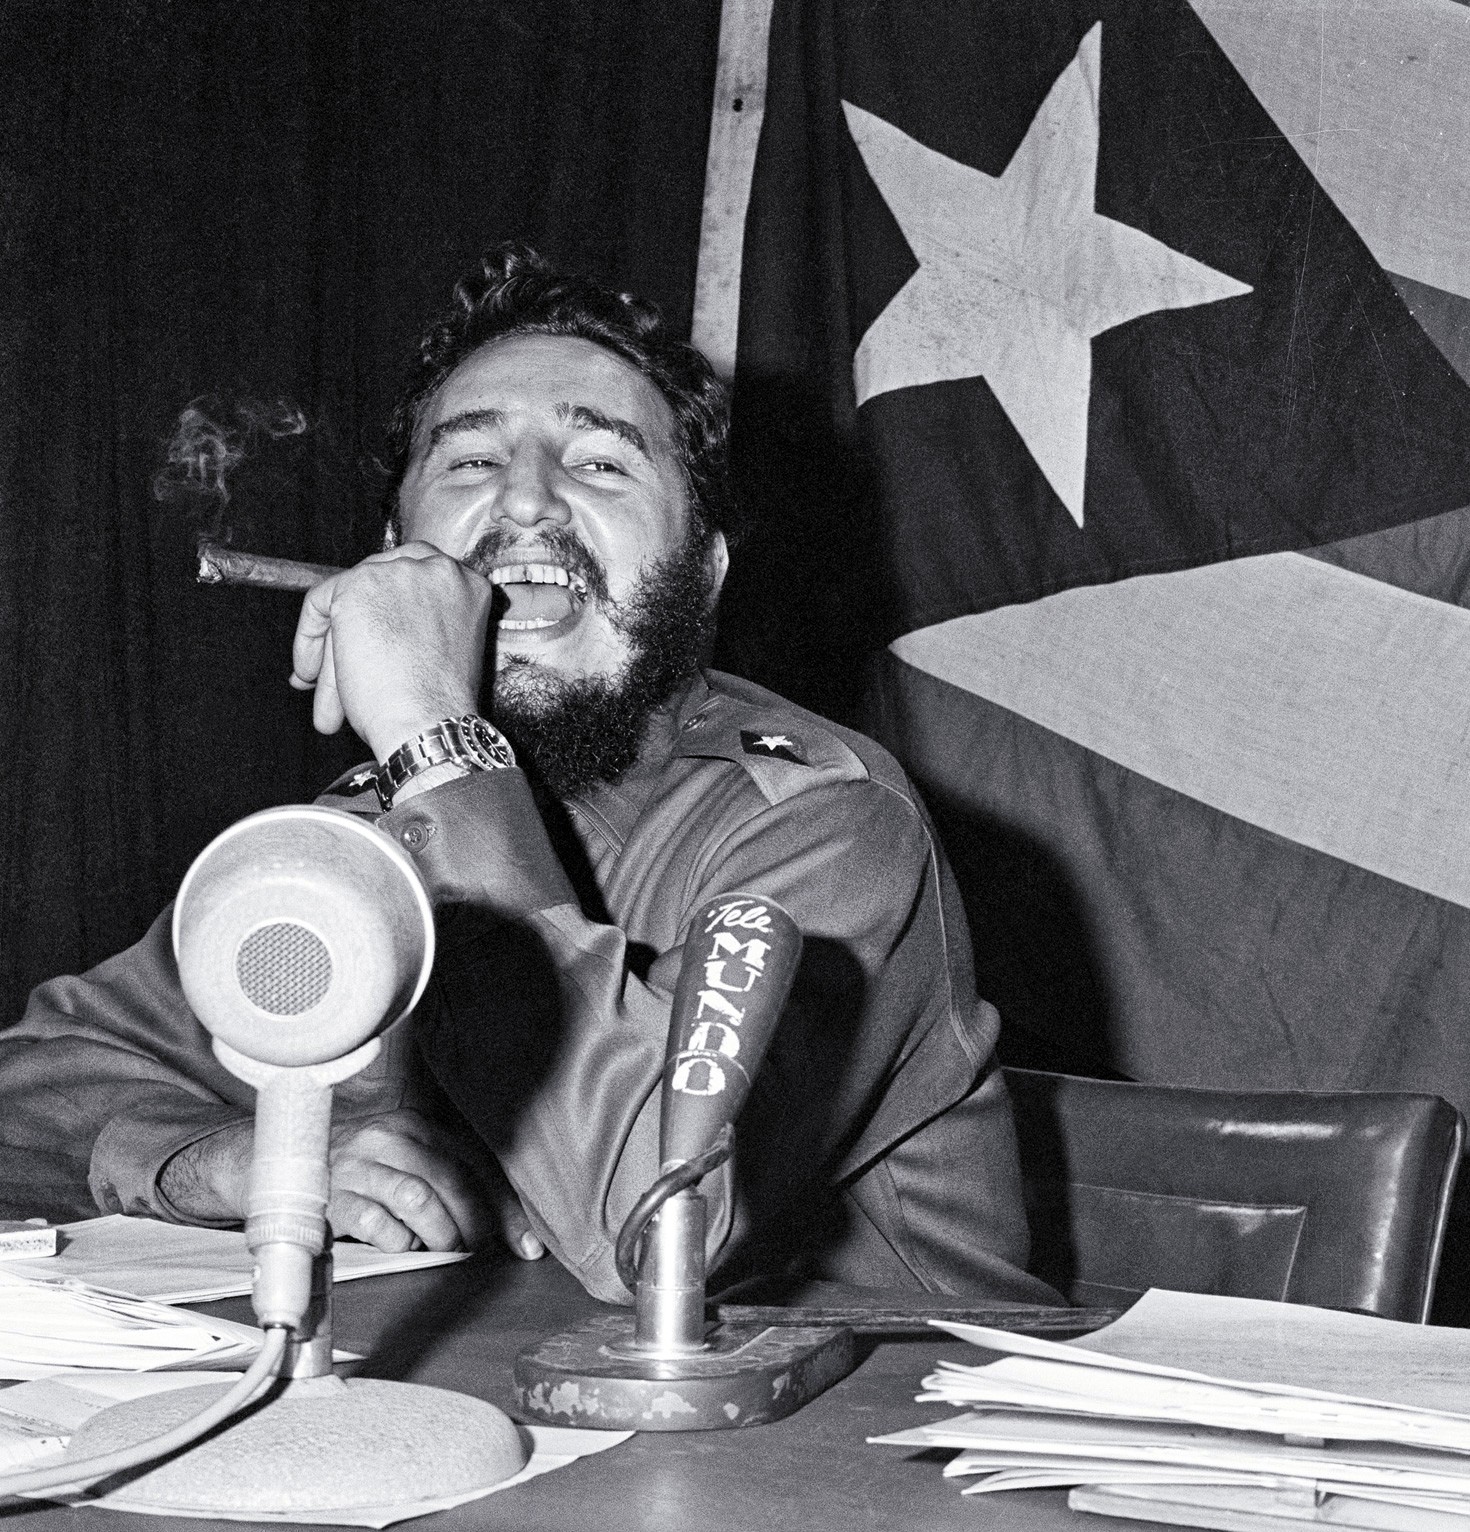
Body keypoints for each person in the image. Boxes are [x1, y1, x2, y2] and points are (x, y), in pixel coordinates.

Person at [0, 246, 1057, 1306]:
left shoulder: (830, 819)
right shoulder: (361, 844)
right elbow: (29, 1089)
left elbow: (660, 1227)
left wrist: (433, 738)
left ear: (705, 568)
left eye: (601, 463)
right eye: (469, 462)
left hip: (877, 1407)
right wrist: (225, 1160)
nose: (526, 501)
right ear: (397, 554)